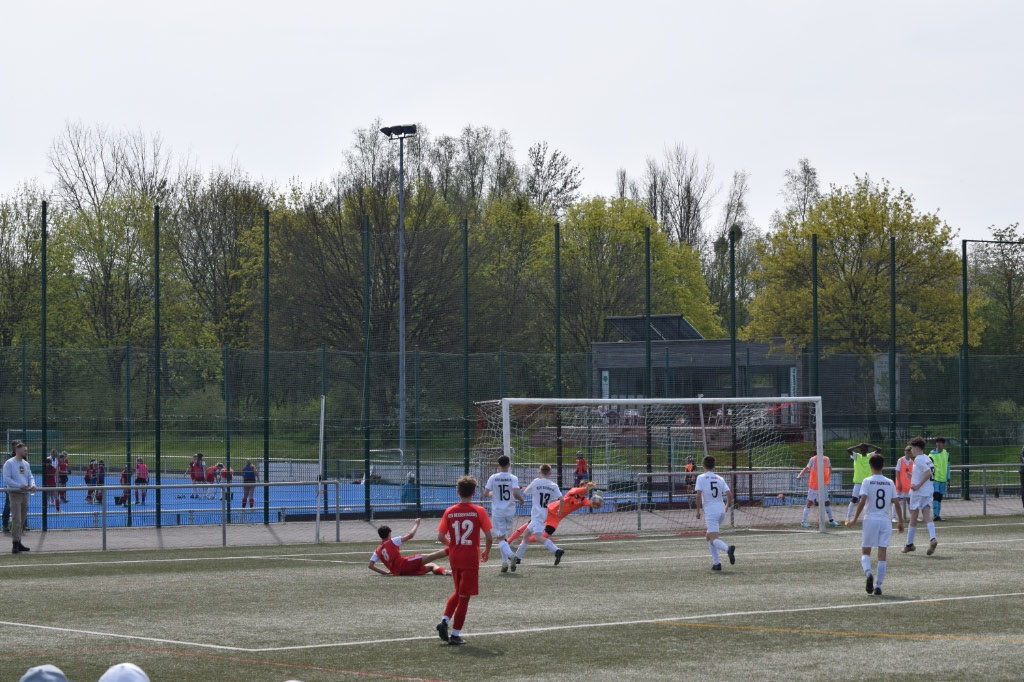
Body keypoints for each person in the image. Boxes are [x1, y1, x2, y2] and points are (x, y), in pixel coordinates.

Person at [435, 475, 492, 646]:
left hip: (455, 556)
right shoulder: (479, 511)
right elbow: (489, 536)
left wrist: (453, 545)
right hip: (470, 557)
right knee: (465, 596)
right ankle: (455, 634)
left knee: (458, 591)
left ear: (458, 492)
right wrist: (486, 551)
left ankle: (444, 621)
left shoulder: (449, 511)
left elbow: (440, 536)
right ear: (474, 493)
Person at [846, 452, 904, 595]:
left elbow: (862, 501)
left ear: (870, 466)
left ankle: (869, 573)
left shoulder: (867, 481)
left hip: (870, 519)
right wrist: (900, 522)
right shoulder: (890, 482)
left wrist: (854, 519)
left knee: (866, 551)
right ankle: (878, 585)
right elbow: (897, 503)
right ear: (883, 466)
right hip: (885, 520)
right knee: (882, 552)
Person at [506, 480, 600, 567]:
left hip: (556, 518)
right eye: (585, 486)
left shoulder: (583, 500)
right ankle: (509, 540)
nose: (586, 489)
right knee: (528, 526)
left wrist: (598, 501)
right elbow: (578, 490)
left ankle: (524, 545)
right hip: (550, 511)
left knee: (545, 535)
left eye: (587, 488)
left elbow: (591, 504)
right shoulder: (573, 491)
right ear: (581, 486)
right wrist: (586, 488)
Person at [511, 463, 563, 568]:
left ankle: (556, 550)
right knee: (526, 534)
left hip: (537, 514)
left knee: (538, 537)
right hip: (543, 513)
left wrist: (524, 489)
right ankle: (518, 557)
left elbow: (525, 493)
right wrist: (559, 511)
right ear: (550, 473)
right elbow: (562, 499)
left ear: (540, 472)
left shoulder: (536, 482)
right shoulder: (553, 485)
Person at [482, 454, 525, 572]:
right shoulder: (513, 477)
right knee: (504, 537)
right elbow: (515, 493)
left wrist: (492, 493)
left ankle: (511, 555)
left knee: (500, 538)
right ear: (509, 465)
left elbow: (485, 494)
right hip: (510, 510)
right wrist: (521, 500)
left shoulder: (493, 477)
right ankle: (504, 563)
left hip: (498, 511)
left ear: (498, 465)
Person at [695, 455, 735, 571]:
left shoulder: (701, 478)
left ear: (703, 465)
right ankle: (716, 563)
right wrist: (726, 506)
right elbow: (729, 495)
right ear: (714, 466)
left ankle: (728, 549)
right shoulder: (719, 478)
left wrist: (698, 511)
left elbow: (698, 495)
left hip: (711, 512)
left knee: (713, 539)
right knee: (708, 536)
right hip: (721, 510)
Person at [368, 519, 450, 576]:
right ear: (389, 534)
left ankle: (447, 572)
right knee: (433, 556)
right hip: (405, 564)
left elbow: (370, 565)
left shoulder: (377, 550)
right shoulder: (392, 541)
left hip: (399, 572)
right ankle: (452, 549)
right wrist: (416, 524)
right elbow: (410, 535)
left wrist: (384, 573)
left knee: (432, 566)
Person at [902, 436, 938, 555]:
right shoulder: (927, 458)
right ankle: (933, 538)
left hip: (919, 492)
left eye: (912, 448)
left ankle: (909, 545)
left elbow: (928, 473)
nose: (911, 450)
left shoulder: (918, 459)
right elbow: (925, 472)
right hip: (928, 491)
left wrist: (917, 485)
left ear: (916, 448)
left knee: (913, 516)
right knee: (927, 515)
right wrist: (912, 476)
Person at [3, 440, 36, 554]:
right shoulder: (9, 463)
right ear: (17, 450)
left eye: (26, 450)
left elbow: (30, 476)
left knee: (22, 519)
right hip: (15, 494)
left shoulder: (26, 463)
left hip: (24, 494)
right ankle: (15, 544)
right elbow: (7, 479)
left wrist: (32, 484)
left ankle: (19, 541)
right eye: (24, 450)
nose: (26, 452)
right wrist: (19, 486)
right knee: (16, 519)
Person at [795, 452, 840, 527]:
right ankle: (803, 521)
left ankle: (831, 520)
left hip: (823, 485)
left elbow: (830, 467)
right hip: (814, 485)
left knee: (827, 502)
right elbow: (806, 468)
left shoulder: (826, 459)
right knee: (809, 502)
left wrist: (828, 476)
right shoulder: (813, 459)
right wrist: (800, 475)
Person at [846, 442, 882, 522]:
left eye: (865, 449)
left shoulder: (870, 456)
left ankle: (871, 516)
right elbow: (848, 450)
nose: (863, 450)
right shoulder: (857, 456)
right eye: (862, 449)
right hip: (858, 482)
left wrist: (870, 445)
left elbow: (879, 450)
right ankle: (847, 518)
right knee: (854, 499)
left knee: (870, 500)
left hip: (868, 482)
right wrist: (857, 446)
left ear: (867, 450)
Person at [929, 437, 952, 521]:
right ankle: (935, 515)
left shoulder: (947, 454)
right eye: (937, 442)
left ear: (943, 444)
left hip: (943, 479)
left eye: (940, 442)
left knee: (940, 497)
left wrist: (948, 478)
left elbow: (948, 467)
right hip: (935, 479)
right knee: (936, 495)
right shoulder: (931, 455)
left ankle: (938, 515)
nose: (938, 444)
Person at [894, 445, 914, 523]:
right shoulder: (900, 460)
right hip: (901, 484)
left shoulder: (912, 462)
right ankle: (894, 517)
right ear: (905, 452)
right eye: (907, 452)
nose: (908, 454)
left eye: (909, 453)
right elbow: (897, 472)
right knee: (897, 500)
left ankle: (913, 516)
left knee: (910, 500)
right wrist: (899, 482)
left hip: (908, 485)